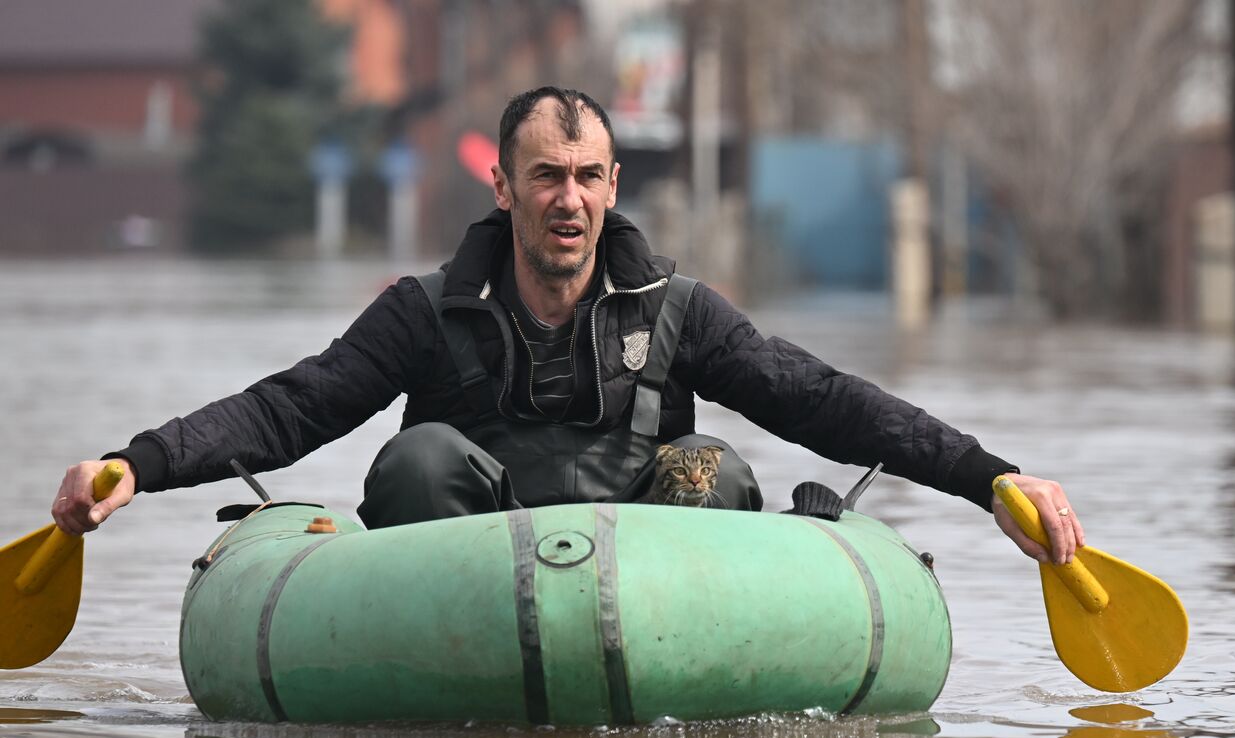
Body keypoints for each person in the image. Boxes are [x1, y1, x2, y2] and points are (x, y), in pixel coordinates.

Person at [50, 86, 1083, 566]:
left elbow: (823, 399)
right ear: (503, 185)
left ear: (612, 185)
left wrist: (987, 475)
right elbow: (290, 408)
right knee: (414, 460)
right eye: (546, 174)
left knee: (711, 465)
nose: (568, 198)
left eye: (587, 176)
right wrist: (138, 461)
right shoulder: (421, 312)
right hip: (453, 588)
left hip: (651, 580)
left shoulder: (676, 312)